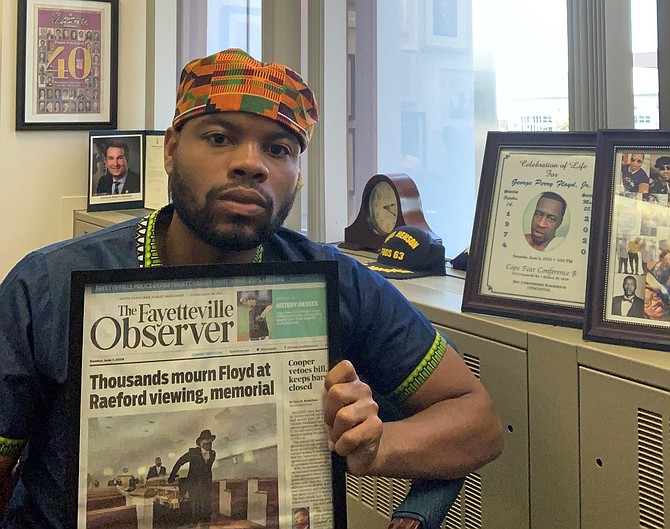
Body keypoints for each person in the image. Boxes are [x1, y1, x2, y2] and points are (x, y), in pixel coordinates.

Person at [0, 48, 503, 527]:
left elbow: (477, 421)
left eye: (278, 149)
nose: (251, 163)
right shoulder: (45, 288)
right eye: (219, 137)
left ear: (297, 176)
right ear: (171, 151)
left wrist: (374, 446)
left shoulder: (336, 283)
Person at [168, 430, 216, 524]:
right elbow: (179, 462)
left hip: (206, 484)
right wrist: (172, 477)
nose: (209, 444)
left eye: (210, 441)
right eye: (206, 441)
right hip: (194, 484)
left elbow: (207, 469)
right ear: (200, 443)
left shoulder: (213, 454)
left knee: (207, 507)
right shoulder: (193, 453)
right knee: (195, 507)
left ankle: (206, 525)